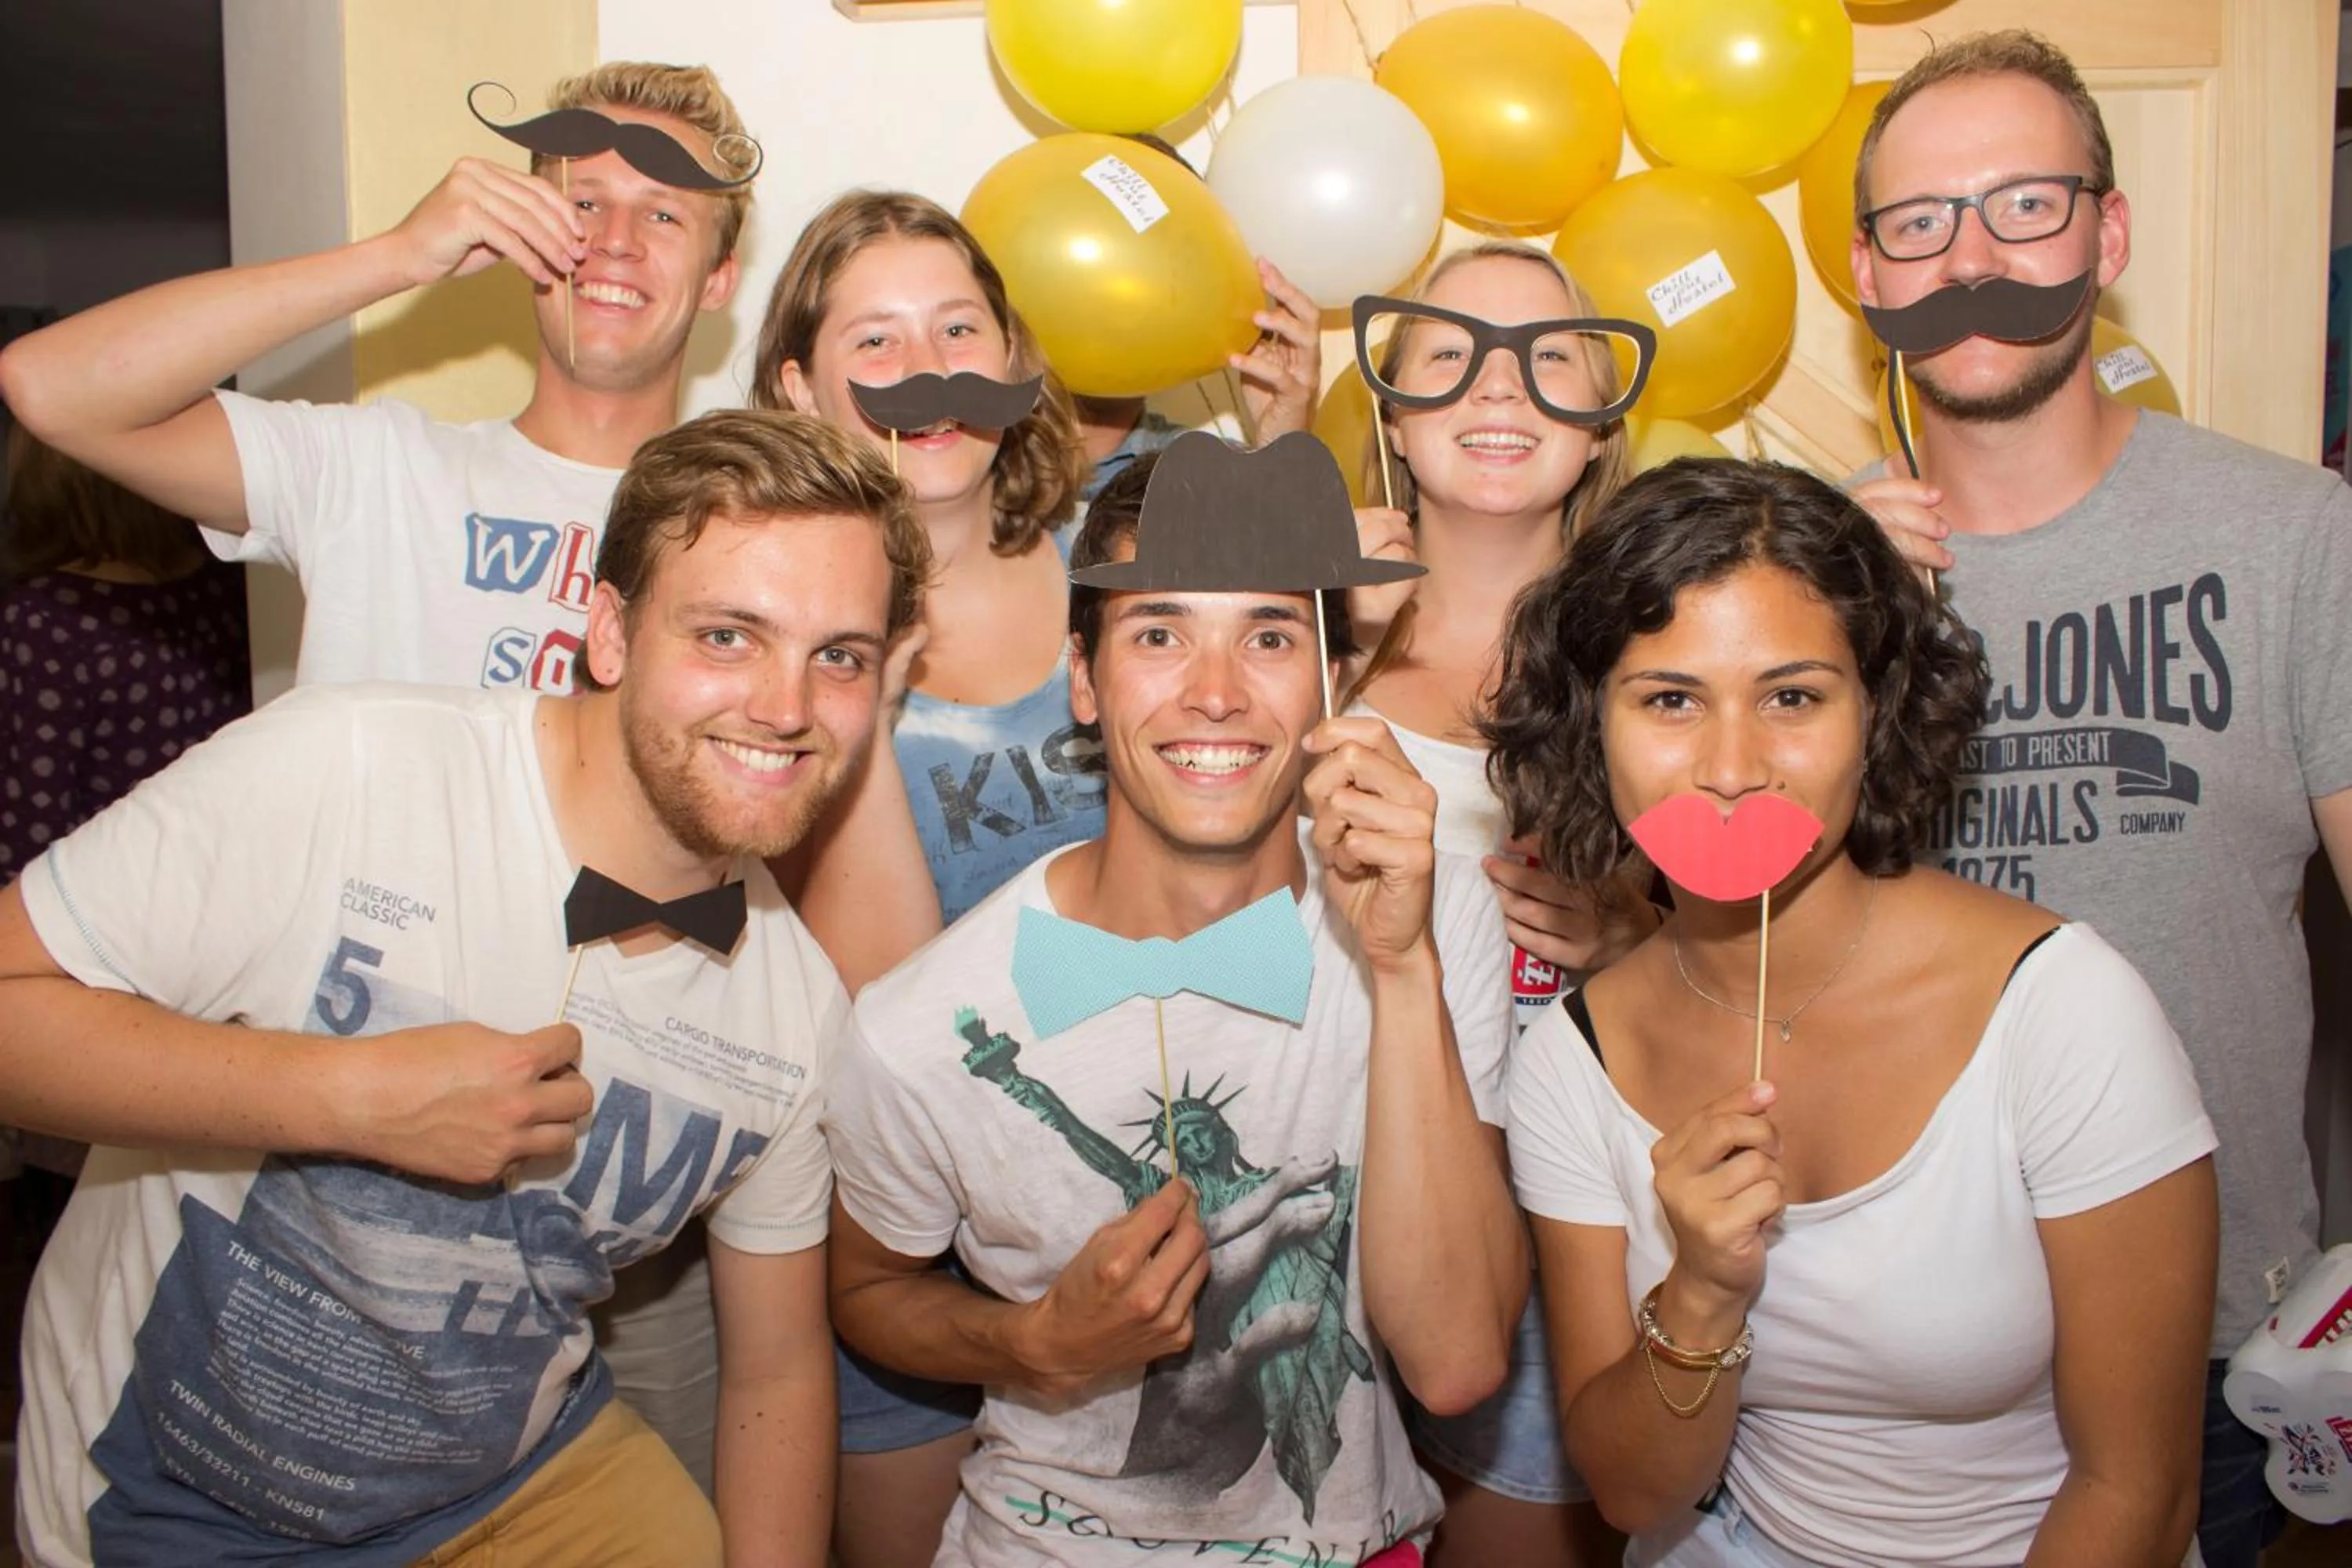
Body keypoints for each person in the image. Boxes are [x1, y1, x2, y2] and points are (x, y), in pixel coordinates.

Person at [0, 408, 924, 1567]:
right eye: (729, 635)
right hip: (182, 1490)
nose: (786, 706)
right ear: (611, 633)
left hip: (510, 1477)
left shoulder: (795, 1015)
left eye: (839, 656)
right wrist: (345, 1098)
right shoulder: (348, 767)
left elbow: (778, 1371)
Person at [1484, 456, 2217, 1565]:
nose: (1733, 766)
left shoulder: (2064, 1009)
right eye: (1671, 699)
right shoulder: (1571, 1059)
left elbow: (2141, 1491)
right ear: (1593, 726)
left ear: (1876, 714)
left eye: (1792, 696)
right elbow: (1634, 1493)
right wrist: (1701, 1295)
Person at [822, 434, 1526, 1565]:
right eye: (1160, 633)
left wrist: (1402, 969)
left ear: (1332, 678)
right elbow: (866, 1289)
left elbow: (1457, 1364)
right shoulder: (921, 1025)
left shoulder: (1439, 924)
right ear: (1085, 680)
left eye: (1269, 635)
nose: (1216, 692)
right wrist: (1035, 1340)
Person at [1844, 31, 2352, 1564]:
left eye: (2026, 205)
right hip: (1873, 1341)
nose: (1972, 259)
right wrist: (1820, 618)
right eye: (1921, 221)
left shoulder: (2294, 536)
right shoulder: (1799, 579)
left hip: (2212, 1339)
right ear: (1868, 272)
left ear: (2109, 234)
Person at [0, 62, 753, 695]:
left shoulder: (746, 533)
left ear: (718, 279)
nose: (615, 241)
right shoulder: (375, 474)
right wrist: (398, 255)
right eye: (584, 203)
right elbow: (50, 387)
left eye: (663, 217)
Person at [1340, 241, 1661, 1566]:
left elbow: (1784, 953)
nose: (1498, 388)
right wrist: (1324, 642)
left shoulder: (1660, 656)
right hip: (1311, 1212)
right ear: (1394, 416)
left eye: (1548, 359)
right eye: (1451, 355)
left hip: (1557, 1238)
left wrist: (1640, 939)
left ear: (1601, 425)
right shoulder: (1303, 630)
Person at [2, 425, 250, 887]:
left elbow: (34, 806)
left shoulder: (49, 617)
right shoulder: (226, 583)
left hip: (101, 889)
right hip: (210, 867)